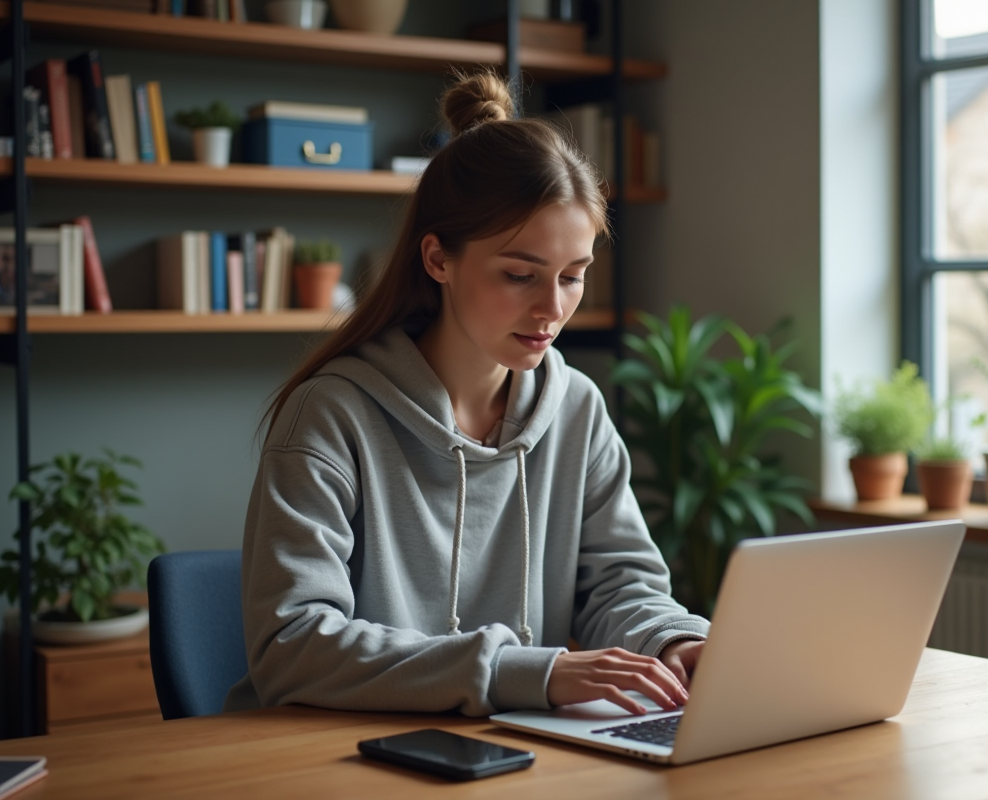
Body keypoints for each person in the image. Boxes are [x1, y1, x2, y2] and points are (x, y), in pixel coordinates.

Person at [223, 72, 708, 719]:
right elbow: (293, 645)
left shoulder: (577, 410)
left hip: (502, 749)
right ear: (438, 259)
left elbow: (620, 585)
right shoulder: (332, 417)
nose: (551, 308)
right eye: (519, 274)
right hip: (333, 758)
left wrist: (672, 639)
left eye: (573, 276)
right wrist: (521, 671)